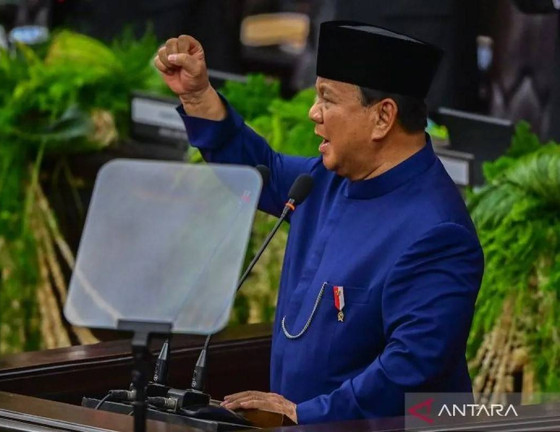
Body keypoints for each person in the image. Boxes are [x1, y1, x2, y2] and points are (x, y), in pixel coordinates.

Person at [154, 21, 484, 424]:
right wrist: (197, 95)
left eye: (327, 99)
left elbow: (411, 368)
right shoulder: (326, 180)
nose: (314, 113)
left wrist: (305, 414)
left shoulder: (438, 232)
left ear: (383, 117)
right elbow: (263, 171)